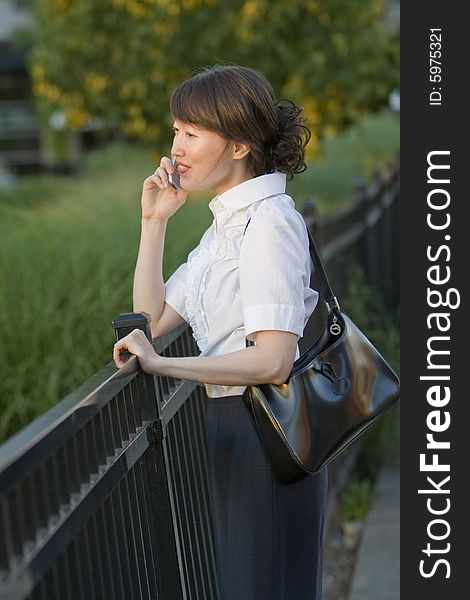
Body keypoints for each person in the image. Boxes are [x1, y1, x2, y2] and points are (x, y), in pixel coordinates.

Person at [113, 64, 328, 600]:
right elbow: (153, 319)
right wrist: (154, 222)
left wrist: (163, 365)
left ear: (237, 146)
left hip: (266, 427)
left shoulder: (268, 223)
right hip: (235, 422)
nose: (175, 147)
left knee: (264, 585)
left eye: (191, 132)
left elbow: (272, 360)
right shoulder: (225, 229)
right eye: (175, 131)